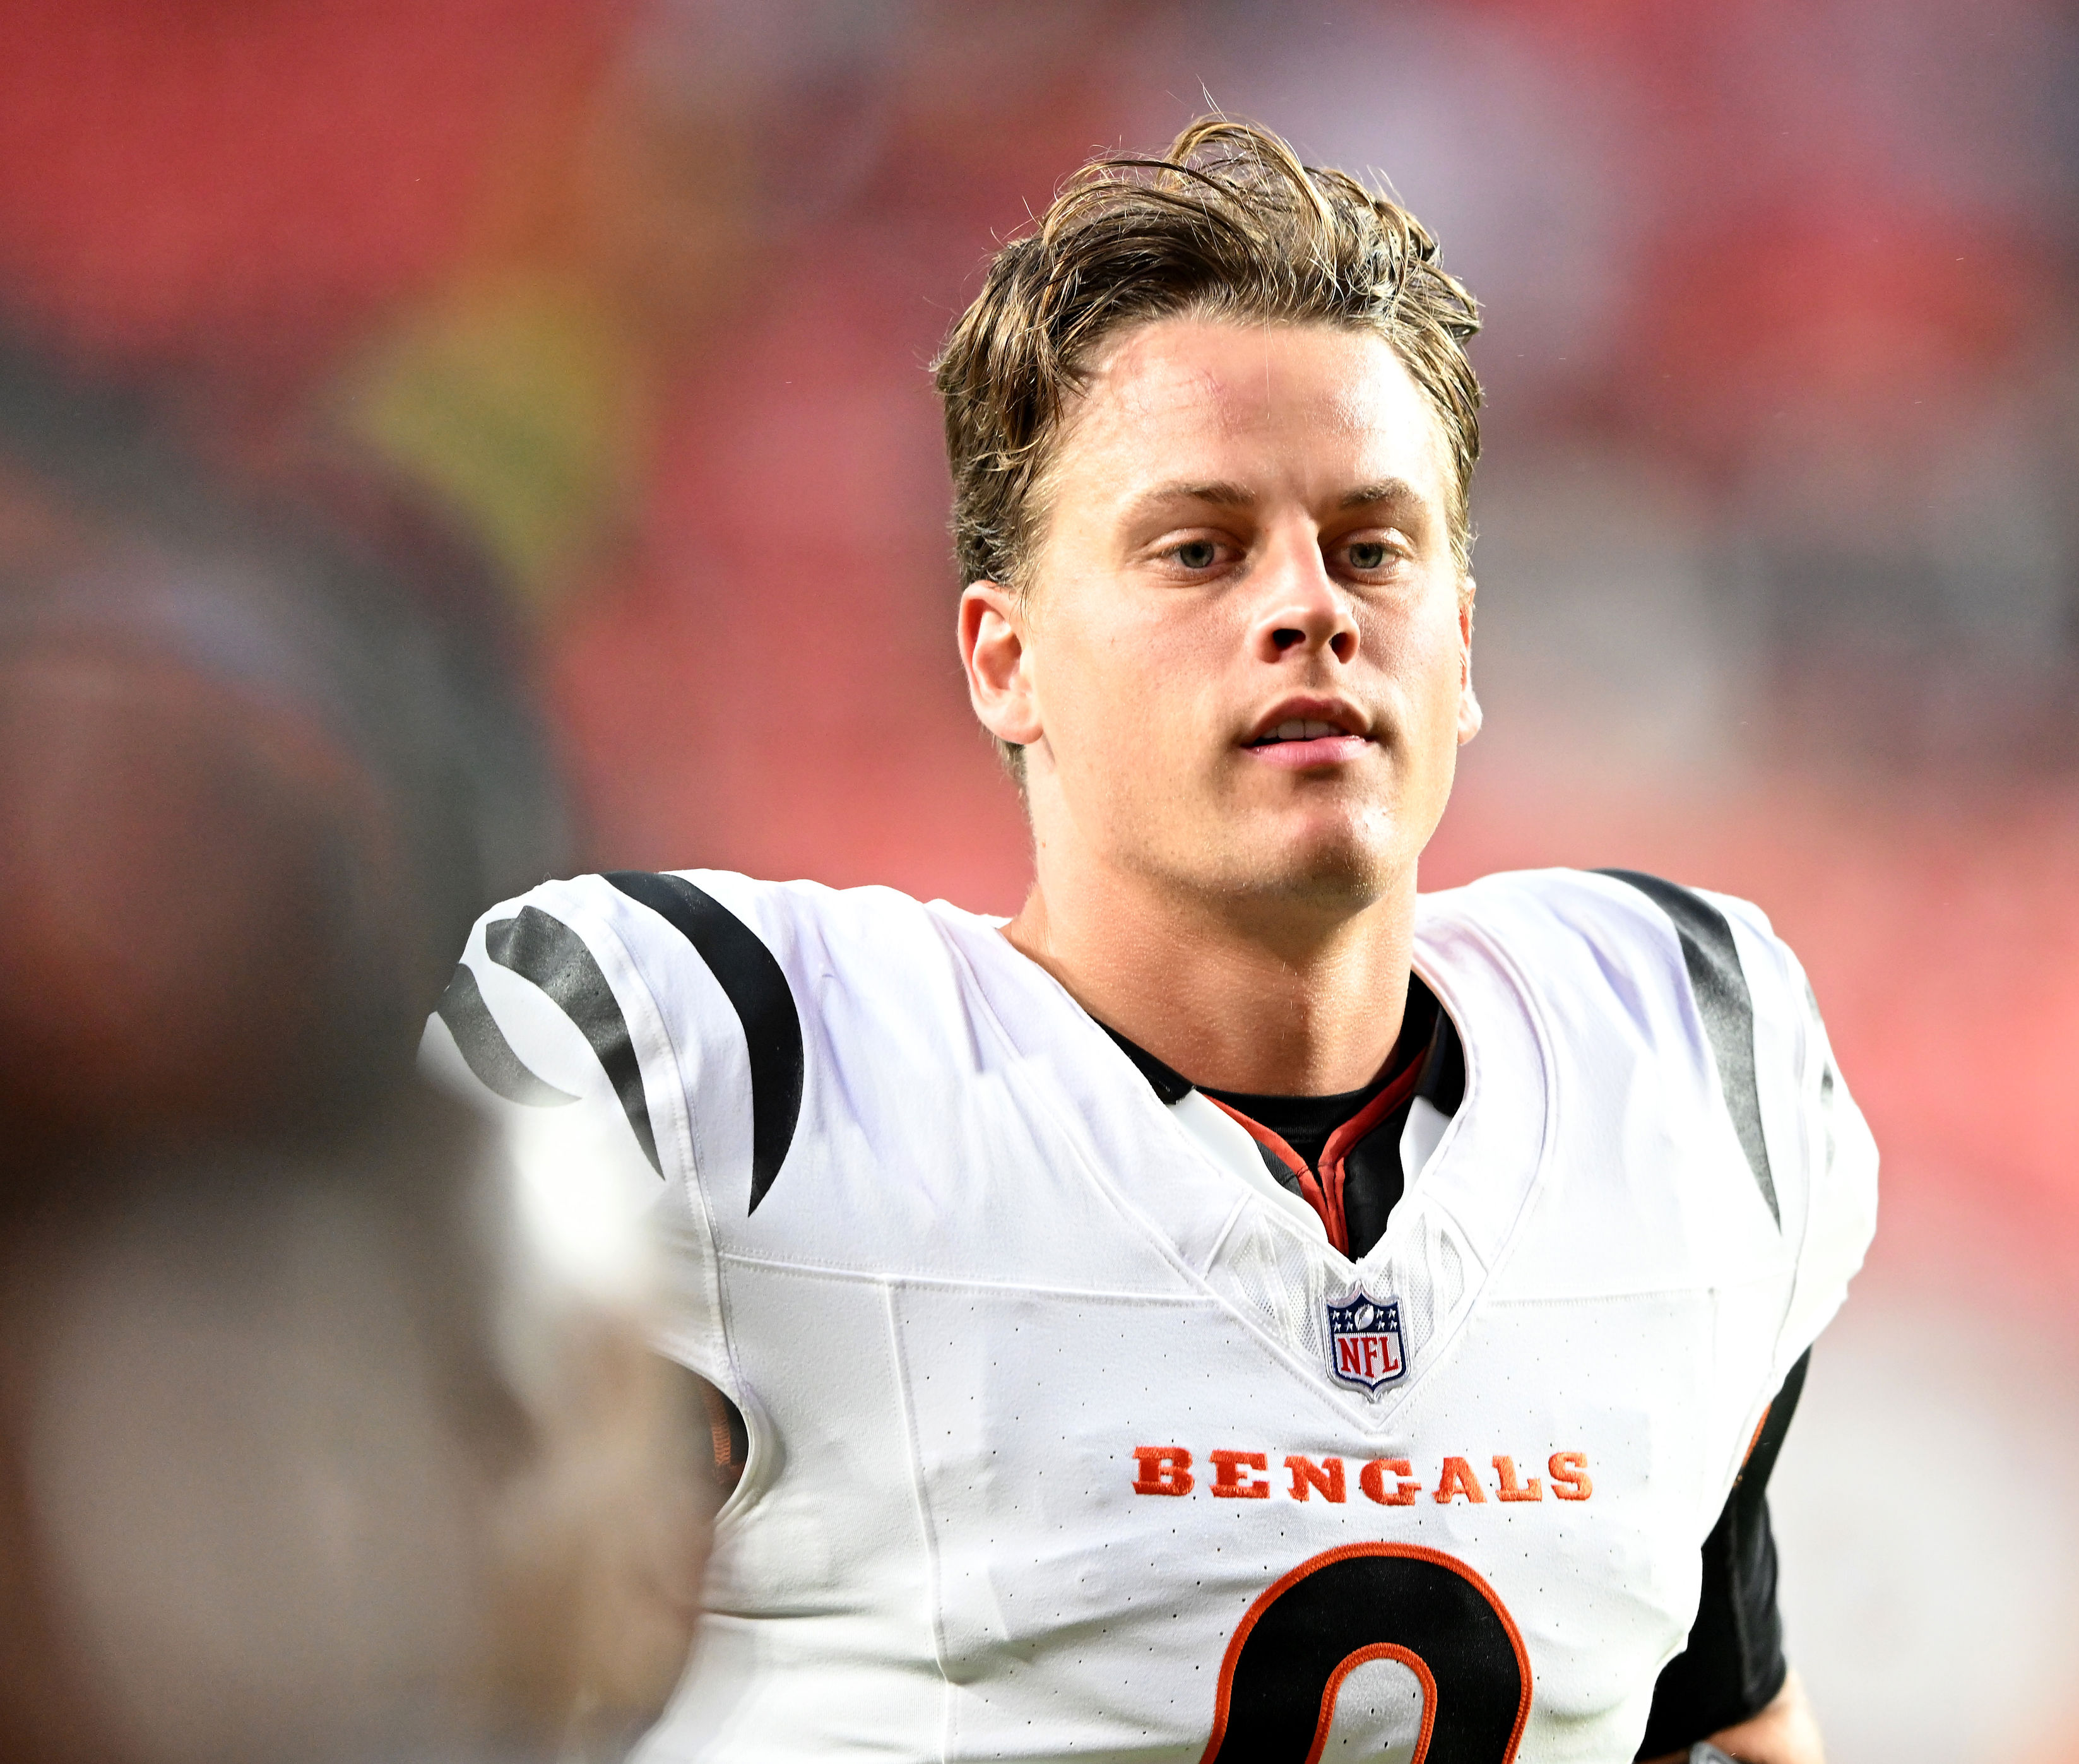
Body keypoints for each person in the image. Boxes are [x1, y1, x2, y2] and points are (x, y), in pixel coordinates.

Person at [424, 116, 1876, 1764]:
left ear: (1458, 643)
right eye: (1198, 546)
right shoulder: (728, 1070)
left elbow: (1724, 1711)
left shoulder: (1686, 1053)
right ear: (1006, 658)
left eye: (1371, 545)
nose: (1306, 603)